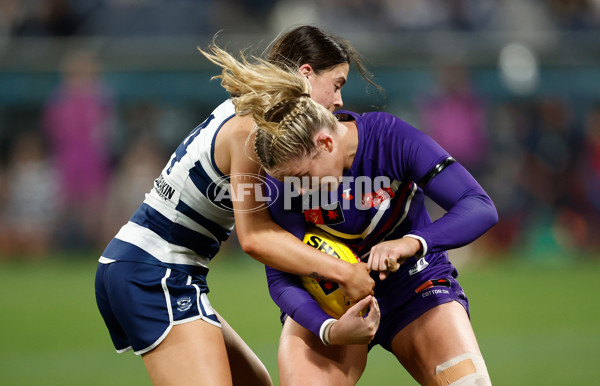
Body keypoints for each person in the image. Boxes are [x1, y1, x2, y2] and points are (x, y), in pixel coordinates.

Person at [95, 25, 379, 386]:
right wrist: (344, 271)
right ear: (306, 74)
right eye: (337, 84)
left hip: (160, 270)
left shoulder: (255, 112)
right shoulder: (252, 129)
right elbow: (255, 237)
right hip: (154, 270)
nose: (339, 100)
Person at [202, 44, 499, 385]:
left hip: (414, 284)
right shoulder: (281, 180)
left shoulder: (388, 138)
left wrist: (410, 243)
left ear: (326, 144)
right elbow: (281, 276)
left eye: (301, 179)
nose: (296, 191)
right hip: (326, 298)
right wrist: (329, 330)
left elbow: (479, 206)